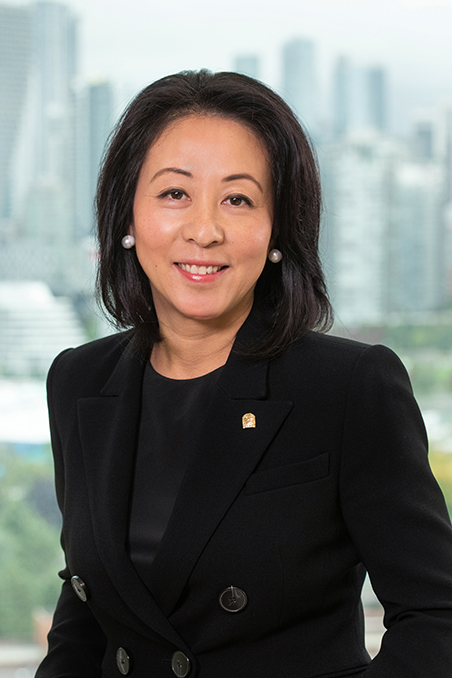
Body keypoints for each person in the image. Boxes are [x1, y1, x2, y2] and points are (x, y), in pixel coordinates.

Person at [36, 70, 452, 678]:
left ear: (277, 229)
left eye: (238, 199)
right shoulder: (78, 379)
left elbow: (436, 617)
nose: (204, 231)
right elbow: (88, 609)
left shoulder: (348, 386)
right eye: (174, 193)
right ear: (127, 217)